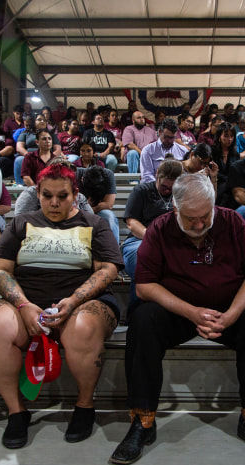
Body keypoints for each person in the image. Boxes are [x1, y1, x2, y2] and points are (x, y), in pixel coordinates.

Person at [109, 173, 245, 465]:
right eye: (191, 218)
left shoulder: (233, 222)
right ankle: (143, 420)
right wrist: (191, 312)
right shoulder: (159, 228)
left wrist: (231, 316)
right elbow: (144, 286)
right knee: (143, 321)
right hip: (178, 311)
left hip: (225, 310)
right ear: (175, 209)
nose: (200, 224)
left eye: (206, 215)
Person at [0, 164, 123, 449]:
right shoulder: (21, 223)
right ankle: (17, 412)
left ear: (75, 194)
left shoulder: (95, 224)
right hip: (27, 300)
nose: (54, 203)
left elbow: (108, 270)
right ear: (38, 194)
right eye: (47, 196)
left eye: (62, 196)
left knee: (82, 327)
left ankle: (84, 406)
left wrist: (75, 299)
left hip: (83, 300)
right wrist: (23, 305)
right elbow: (0, 270)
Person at [121, 160, 183, 316]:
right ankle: (137, 316)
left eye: (172, 188)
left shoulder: (181, 195)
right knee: (143, 257)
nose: (168, 191)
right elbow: (132, 223)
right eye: (164, 187)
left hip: (172, 243)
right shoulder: (141, 191)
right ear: (157, 176)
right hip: (139, 240)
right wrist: (154, 238)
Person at [76, 165, 119, 243]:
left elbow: (108, 204)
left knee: (108, 216)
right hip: (78, 211)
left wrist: (89, 209)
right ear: (82, 179)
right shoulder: (76, 174)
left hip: (96, 210)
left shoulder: (108, 175)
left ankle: (114, 248)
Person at [140, 118, 189, 183]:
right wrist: (162, 186)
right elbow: (146, 176)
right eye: (166, 137)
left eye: (172, 138)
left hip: (177, 189)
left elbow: (187, 174)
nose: (169, 140)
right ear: (160, 132)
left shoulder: (183, 151)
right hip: (154, 189)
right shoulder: (148, 150)